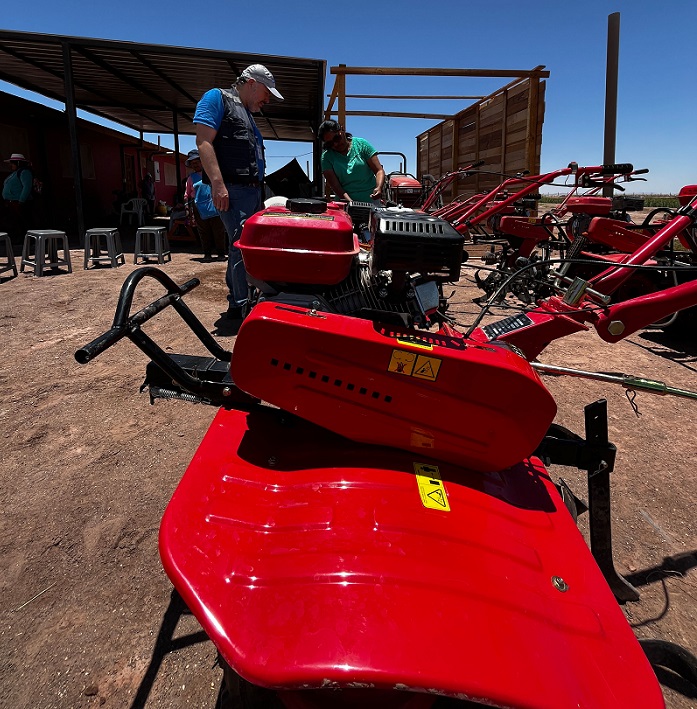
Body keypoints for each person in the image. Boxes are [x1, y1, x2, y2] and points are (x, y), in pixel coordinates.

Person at [194, 64, 283, 319]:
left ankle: (245, 295)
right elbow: (203, 141)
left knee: (247, 244)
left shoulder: (245, 112)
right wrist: (218, 184)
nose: (267, 100)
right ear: (252, 83)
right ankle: (239, 306)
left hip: (252, 190)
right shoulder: (217, 97)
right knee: (241, 245)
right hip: (233, 189)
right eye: (267, 93)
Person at [318, 120, 385, 203]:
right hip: (345, 203)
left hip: (371, 201)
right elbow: (336, 187)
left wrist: (378, 188)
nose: (335, 144)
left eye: (336, 138)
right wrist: (352, 204)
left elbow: (379, 170)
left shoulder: (362, 144)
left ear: (341, 130)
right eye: (329, 143)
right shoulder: (327, 157)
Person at [183, 149, 226, 261]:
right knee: (203, 232)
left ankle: (221, 254)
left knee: (218, 231)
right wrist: (188, 211)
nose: (195, 165)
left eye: (196, 162)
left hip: (215, 206)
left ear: (202, 161)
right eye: (193, 164)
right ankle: (207, 254)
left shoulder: (213, 174)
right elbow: (187, 195)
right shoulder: (191, 178)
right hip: (199, 208)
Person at [2, 153, 33, 239]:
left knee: (23, 222)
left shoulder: (24, 172)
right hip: (12, 202)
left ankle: (27, 240)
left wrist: (21, 201)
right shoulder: (14, 173)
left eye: (13, 163)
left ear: (18, 163)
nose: (11, 165)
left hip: (20, 202)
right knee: (16, 222)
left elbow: (27, 186)